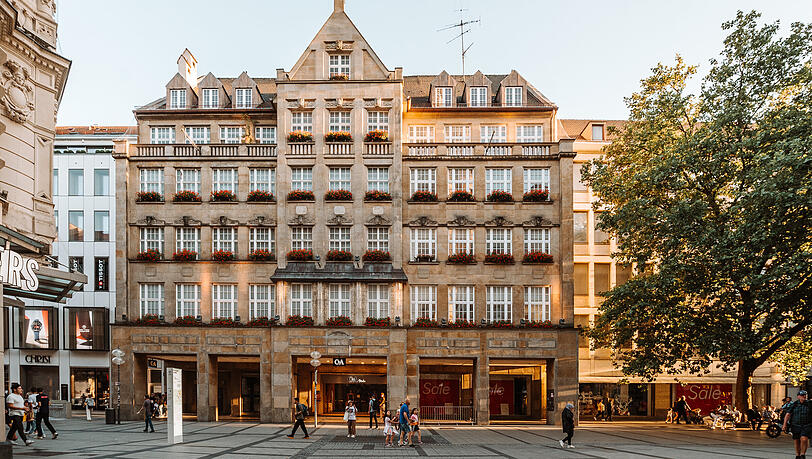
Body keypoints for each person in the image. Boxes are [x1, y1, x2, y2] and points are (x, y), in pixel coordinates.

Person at [783, 390, 812, 459]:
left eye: (805, 395)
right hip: (795, 425)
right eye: (802, 395)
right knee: (797, 440)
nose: (804, 396)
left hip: (807, 425)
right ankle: (797, 454)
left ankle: (802, 454)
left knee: (804, 439)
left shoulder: (810, 403)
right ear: (798, 396)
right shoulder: (794, 404)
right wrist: (784, 424)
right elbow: (788, 414)